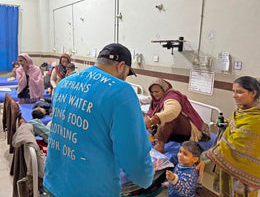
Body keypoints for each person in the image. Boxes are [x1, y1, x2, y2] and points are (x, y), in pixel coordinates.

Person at [43, 43, 154, 197]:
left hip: (54, 183)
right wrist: (147, 179)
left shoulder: (64, 84)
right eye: (128, 73)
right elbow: (134, 157)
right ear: (121, 66)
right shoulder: (121, 92)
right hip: (90, 190)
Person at [206, 76, 260, 197]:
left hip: (244, 171)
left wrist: (207, 156)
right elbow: (235, 127)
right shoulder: (241, 110)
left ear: (253, 93)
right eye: (233, 91)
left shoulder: (256, 120)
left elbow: (235, 145)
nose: (234, 95)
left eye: (239, 92)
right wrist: (225, 124)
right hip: (231, 165)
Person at [144, 78, 209, 153]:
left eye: (157, 91)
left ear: (164, 90)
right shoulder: (156, 101)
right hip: (176, 131)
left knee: (169, 118)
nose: (154, 94)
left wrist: (154, 119)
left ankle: (160, 146)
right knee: (155, 124)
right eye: (152, 92)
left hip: (188, 131)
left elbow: (172, 111)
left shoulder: (172, 97)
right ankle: (160, 139)